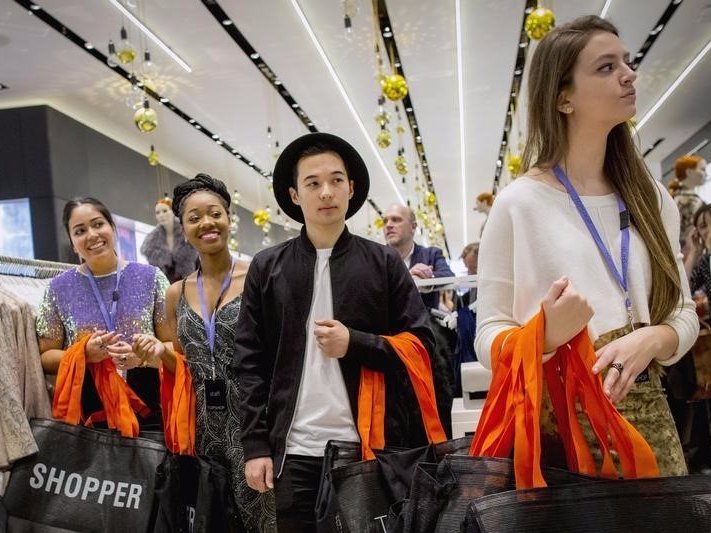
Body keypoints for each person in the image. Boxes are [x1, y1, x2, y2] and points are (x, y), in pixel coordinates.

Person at [475, 15, 699, 476]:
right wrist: (546, 334)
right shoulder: (519, 204)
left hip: (648, 416)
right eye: (606, 66)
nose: (628, 73)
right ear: (563, 98)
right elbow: (488, 332)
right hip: (560, 428)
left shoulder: (649, 195)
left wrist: (655, 337)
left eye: (627, 62)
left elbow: (682, 310)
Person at [234, 132, 435, 531]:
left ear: (351, 188)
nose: (326, 192)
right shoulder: (267, 267)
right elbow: (249, 361)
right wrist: (256, 446)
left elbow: (423, 346)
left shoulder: (382, 263)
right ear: (295, 194)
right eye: (313, 183)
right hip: (292, 450)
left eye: (336, 180)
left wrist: (355, 343)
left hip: (368, 448)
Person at [132, 174, 276, 532]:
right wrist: (156, 352)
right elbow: (179, 359)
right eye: (194, 218)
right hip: (200, 429)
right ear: (183, 228)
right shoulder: (175, 293)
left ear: (229, 218)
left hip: (255, 424)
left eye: (214, 213)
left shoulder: (260, 277)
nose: (206, 223)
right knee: (212, 519)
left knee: (266, 520)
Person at [36, 197, 169, 431]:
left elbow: (175, 347)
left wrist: (144, 356)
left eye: (98, 224)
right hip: (89, 412)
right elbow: (45, 358)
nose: (92, 235)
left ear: (112, 227)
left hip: (149, 406)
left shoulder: (151, 277)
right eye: (80, 231)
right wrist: (83, 353)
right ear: (72, 241)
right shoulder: (58, 288)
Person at [140, 196, 198, 283]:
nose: (161, 215)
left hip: (191, 283)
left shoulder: (188, 232)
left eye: (165, 211)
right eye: (157, 213)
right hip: (166, 289)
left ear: (173, 212)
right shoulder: (151, 243)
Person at [669, 154, 707, 248]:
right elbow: (692, 233)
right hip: (692, 251)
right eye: (702, 169)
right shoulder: (689, 200)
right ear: (689, 172)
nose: (705, 174)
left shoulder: (676, 197)